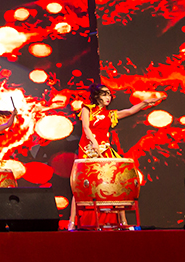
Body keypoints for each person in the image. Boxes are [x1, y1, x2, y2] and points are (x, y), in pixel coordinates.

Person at [68, 83, 159, 230]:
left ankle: (123, 221)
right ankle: (72, 222)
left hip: (104, 150)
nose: (108, 97)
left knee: (116, 183)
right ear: (96, 96)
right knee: (81, 185)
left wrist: (145, 103)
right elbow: (86, 127)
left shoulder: (110, 114)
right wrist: (94, 142)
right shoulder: (87, 108)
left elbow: (129, 111)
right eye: (104, 94)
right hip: (88, 149)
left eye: (109, 94)